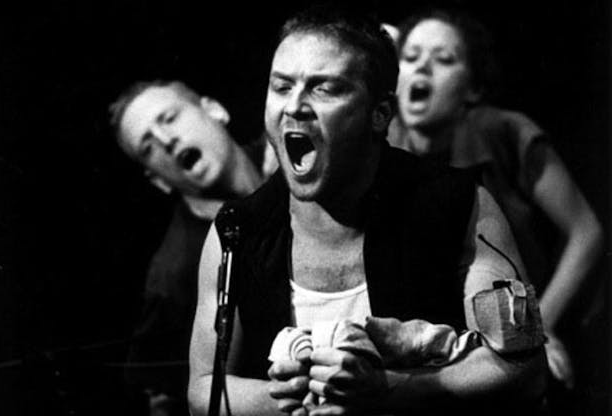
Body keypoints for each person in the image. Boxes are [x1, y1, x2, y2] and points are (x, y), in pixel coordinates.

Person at [188, 6, 547, 416]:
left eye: (324, 89)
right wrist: (299, 396)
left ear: (379, 114)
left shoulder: (460, 204)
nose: (295, 106)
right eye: (282, 86)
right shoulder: (238, 231)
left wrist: (387, 391)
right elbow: (203, 390)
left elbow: (524, 368)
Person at [386, 8, 604, 404]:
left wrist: (541, 327)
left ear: (472, 88)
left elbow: (586, 234)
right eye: (411, 56)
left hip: (525, 333)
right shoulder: (383, 146)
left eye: (444, 59)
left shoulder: (505, 132)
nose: (422, 68)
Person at [109, 80, 270, 415]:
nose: (167, 141)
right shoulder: (174, 273)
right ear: (159, 181)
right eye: (148, 146)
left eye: (169, 118)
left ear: (215, 111)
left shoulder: (287, 162)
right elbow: (162, 399)